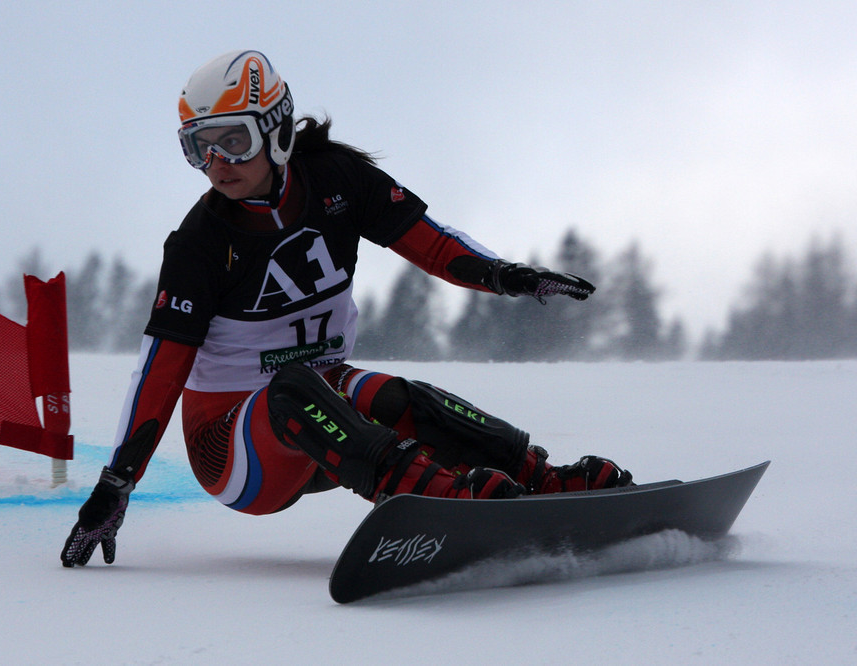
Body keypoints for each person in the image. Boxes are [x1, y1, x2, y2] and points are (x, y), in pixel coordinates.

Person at [61, 50, 632, 568]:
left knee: (399, 399)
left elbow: (429, 241)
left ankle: (541, 480)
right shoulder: (199, 241)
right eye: (197, 146)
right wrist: (118, 482)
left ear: (277, 133)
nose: (216, 161)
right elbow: (161, 367)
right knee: (293, 387)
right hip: (234, 449)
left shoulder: (338, 179)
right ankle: (448, 504)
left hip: (328, 407)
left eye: (232, 141)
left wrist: (504, 275)